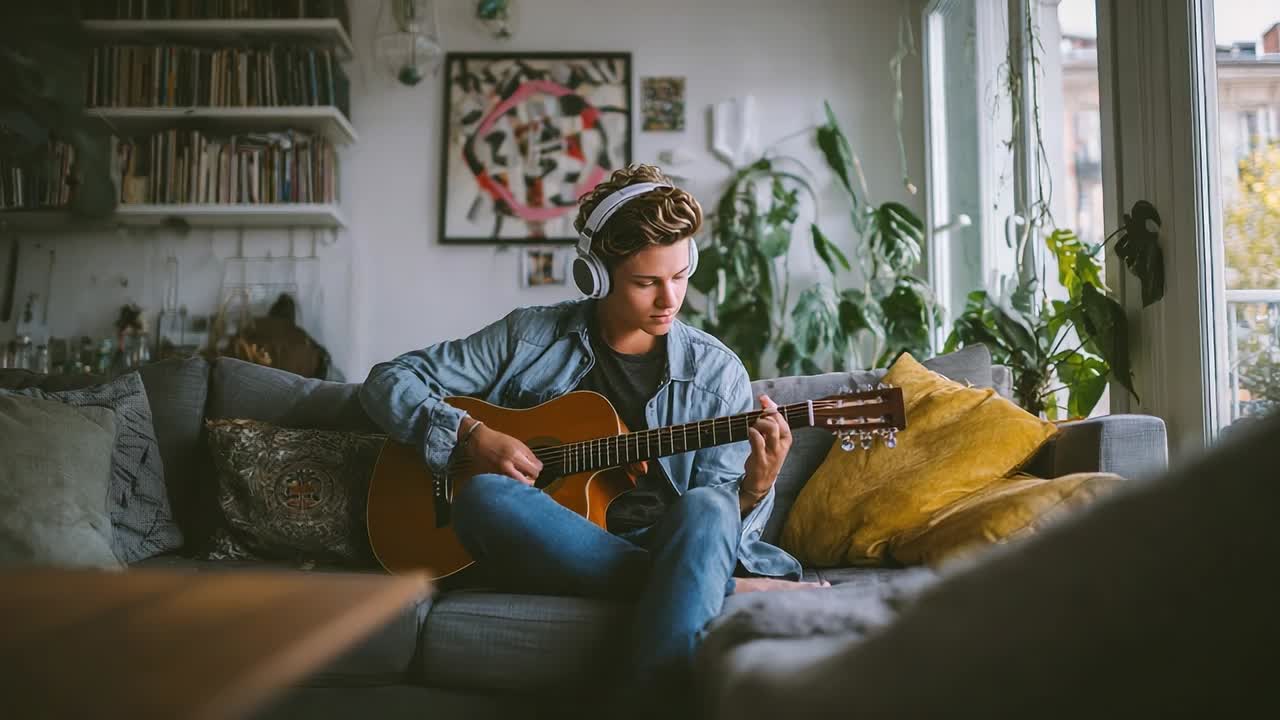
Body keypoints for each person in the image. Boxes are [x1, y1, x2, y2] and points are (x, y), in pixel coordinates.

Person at [358, 163, 825, 715]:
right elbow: (388, 380)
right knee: (484, 496)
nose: (669, 299)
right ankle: (698, 589)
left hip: (667, 540)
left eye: (679, 276)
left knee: (706, 506)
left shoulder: (717, 372)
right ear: (596, 276)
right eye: (646, 282)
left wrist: (754, 488)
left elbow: (717, 525)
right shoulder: (527, 335)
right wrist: (470, 436)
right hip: (549, 541)